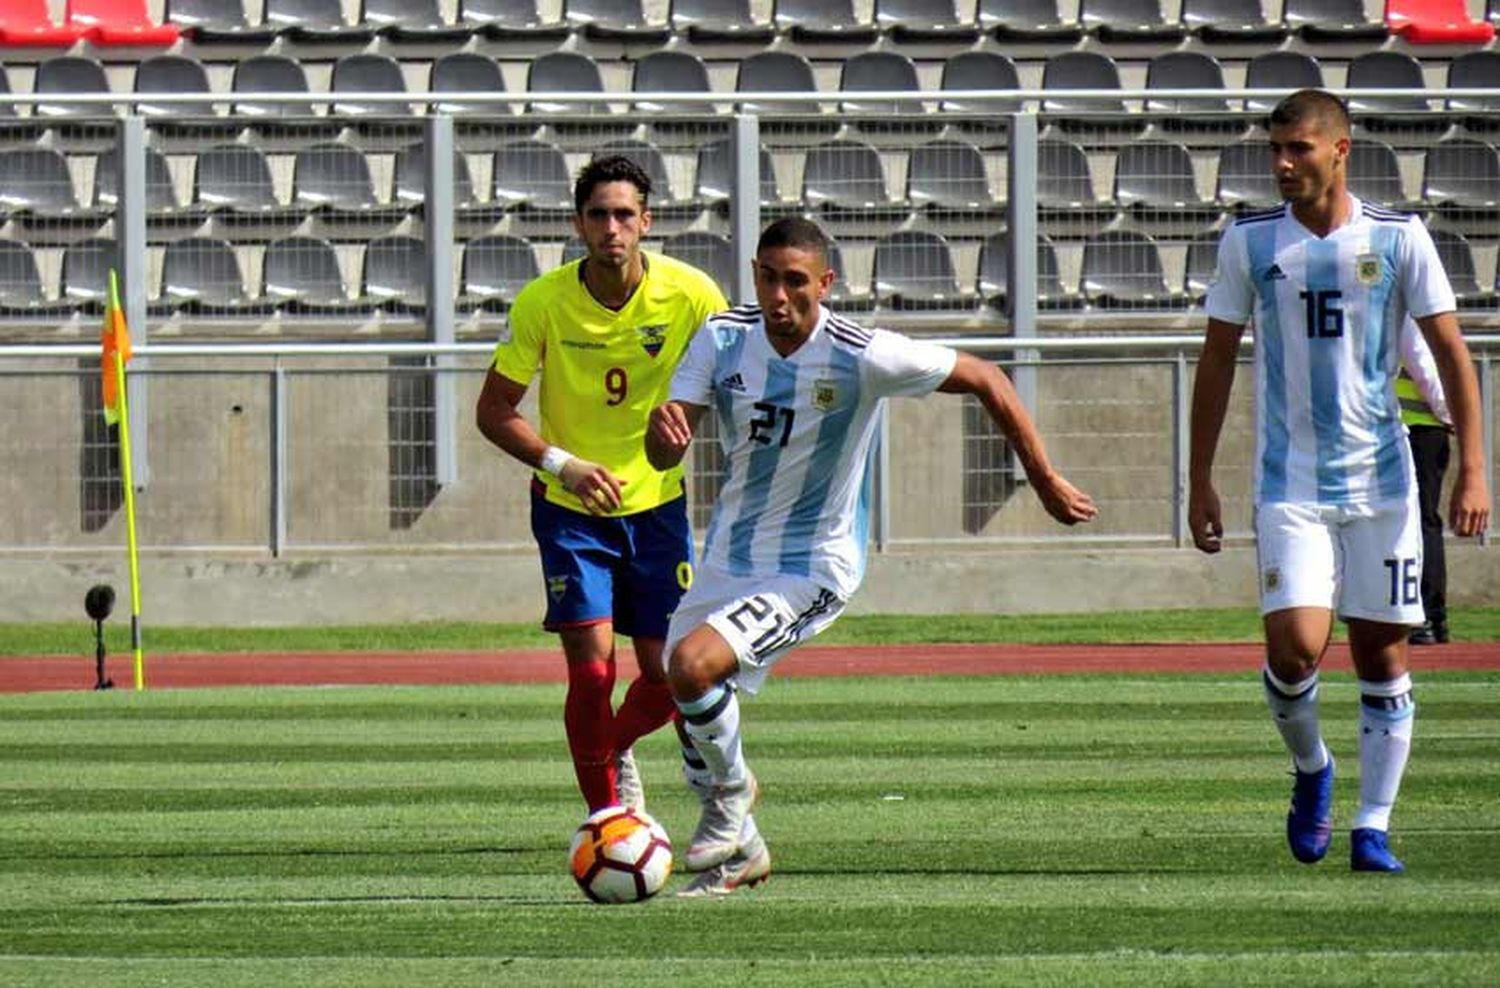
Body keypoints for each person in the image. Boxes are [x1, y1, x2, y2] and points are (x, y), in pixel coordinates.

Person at [646, 216, 1097, 895]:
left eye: (795, 282)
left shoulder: (860, 353)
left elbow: (986, 377)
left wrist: (1044, 478)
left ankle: (733, 797)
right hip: (728, 559)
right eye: (767, 277)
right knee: (685, 692)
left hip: (811, 566)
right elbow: (665, 451)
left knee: (692, 666)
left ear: (825, 284)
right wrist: (662, 433)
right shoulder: (723, 338)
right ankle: (746, 854)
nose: (778, 296)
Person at [1189, 90, 1490, 874]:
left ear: (1340, 149)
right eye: (1276, 151)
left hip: (1383, 483)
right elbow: (1217, 359)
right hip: (1289, 482)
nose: (1284, 165)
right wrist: (1199, 479)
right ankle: (1314, 769)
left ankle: (1373, 825)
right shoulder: (1251, 243)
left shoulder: (1398, 238)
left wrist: (1473, 471)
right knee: (1295, 651)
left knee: (1384, 654)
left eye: (1300, 150)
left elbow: (1452, 355)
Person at [475, 156, 728, 816]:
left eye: (624, 214)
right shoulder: (544, 301)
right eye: (598, 215)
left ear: (646, 222)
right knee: (592, 671)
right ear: (577, 224)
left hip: (658, 509)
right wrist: (566, 466)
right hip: (570, 511)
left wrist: (691, 422)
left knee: (671, 675)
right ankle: (607, 819)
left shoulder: (694, 295)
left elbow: (738, 378)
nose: (611, 227)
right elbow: (493, 411)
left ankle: (609, 750)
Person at [1398, 320, 1454, 646]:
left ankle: (1425, 615)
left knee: (1417, 523)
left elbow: (1423, 366)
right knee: (1425, 521)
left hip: (1415, 427)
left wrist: (1448, 414)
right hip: (1423, 426)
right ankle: (1432, 616)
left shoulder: (1406, 312)